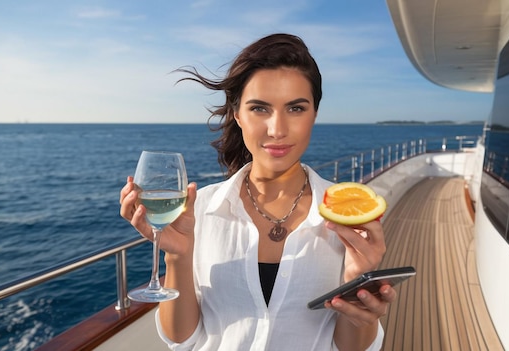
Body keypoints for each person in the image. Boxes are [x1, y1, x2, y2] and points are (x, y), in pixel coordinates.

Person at [120, 33, 396, 351]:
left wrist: (361, 298)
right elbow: (181, 339)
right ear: (237, 114)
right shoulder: (201, 210)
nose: (277, 129)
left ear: (314, 114)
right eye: (260, 109)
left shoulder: (348, 217)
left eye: (296, 108)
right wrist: (178, 256)